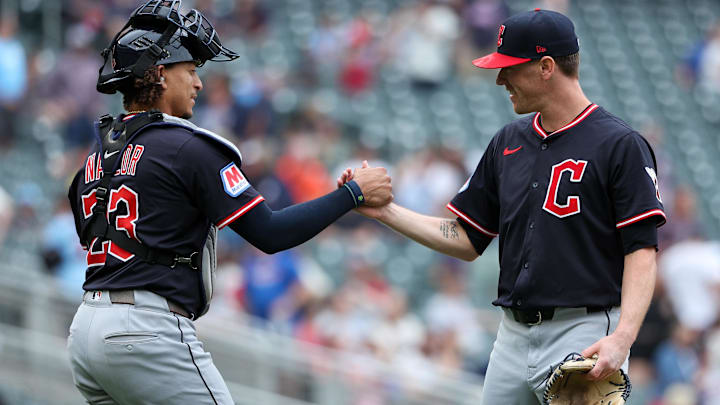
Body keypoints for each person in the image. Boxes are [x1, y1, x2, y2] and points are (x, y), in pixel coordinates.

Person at [65, 1, 391, 404]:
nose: (199, 84)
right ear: (160, 75)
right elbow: (269, 233)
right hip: (145, 329)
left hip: (85, 329)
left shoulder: (93, 161)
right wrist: (352, 195)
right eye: (191, 70)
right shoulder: (186, 146)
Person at [339, 9, 665, 404]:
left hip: (584, 333)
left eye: (510, 67)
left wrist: (623, 339)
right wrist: (386, 212)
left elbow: (642, 250)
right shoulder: (508, 141)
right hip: (512, 336)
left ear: (546, 67)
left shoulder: (619, 145)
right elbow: (465, 237)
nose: (499, 79)